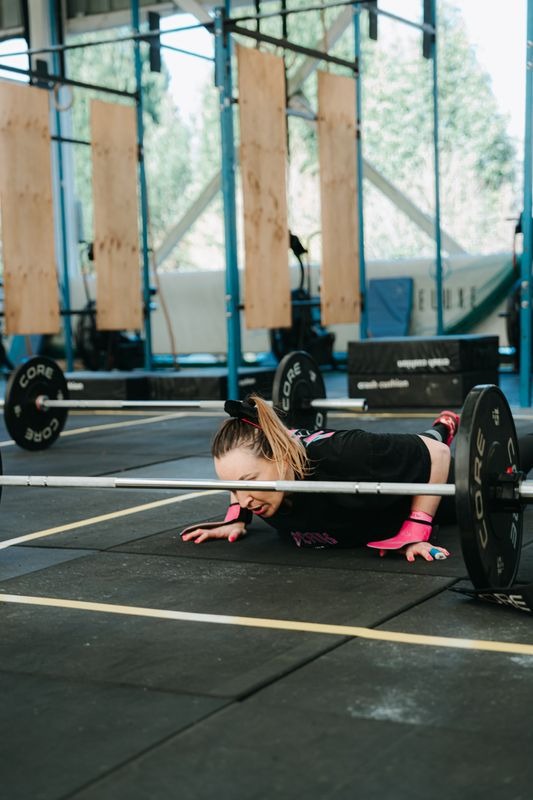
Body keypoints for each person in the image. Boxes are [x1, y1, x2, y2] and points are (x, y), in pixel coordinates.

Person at [181, 396, 461, 561]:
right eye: (234, 489)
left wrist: (416, 527)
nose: (245, 499)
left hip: (421, 490)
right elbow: (239, 478)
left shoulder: (349, 452)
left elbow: (436, 455)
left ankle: (442, 427)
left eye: (249, 482)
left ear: (280, 456)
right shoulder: (256, 483)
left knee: (431, 444)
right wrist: (236, 518)